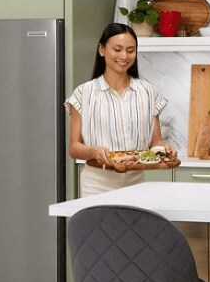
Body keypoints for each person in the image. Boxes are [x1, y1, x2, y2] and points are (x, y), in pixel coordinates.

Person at [65, 23, 174, 196]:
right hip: (97, 183)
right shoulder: (83, 93)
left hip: (136, 182)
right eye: (117, 49)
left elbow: (156, 142)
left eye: (130, 50)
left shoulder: (148, 92)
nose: (124, 56)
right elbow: (74, 147)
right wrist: (94, 151)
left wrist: (164, 149)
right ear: (102, 49)